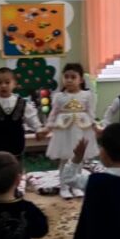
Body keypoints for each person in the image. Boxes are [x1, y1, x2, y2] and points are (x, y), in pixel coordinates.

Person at [46, 62, 98, 200]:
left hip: (82, 130)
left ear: (80, 79)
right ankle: (64, 186)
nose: (69, 80)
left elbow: (90, 112)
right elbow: (53, 113)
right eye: (66, 76)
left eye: (73, 77)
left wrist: (95, 126)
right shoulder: (59, 97)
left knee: (79, 159)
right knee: (65, 159)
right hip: (64, 132)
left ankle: (76, 185)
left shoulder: (87, 95)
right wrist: (48, 126)